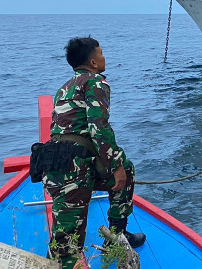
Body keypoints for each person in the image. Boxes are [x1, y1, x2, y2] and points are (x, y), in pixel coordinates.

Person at [43, 37, 145, 269]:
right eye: (101, 53)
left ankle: (117, 237)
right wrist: (115, 165)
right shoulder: (96, 83)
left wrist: (119, 166)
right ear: (93, 62)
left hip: (58, 163)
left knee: (127, 171)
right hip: (71, 170)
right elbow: (99, 129)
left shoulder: (65, 88)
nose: (104, 57)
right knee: (67, 243)